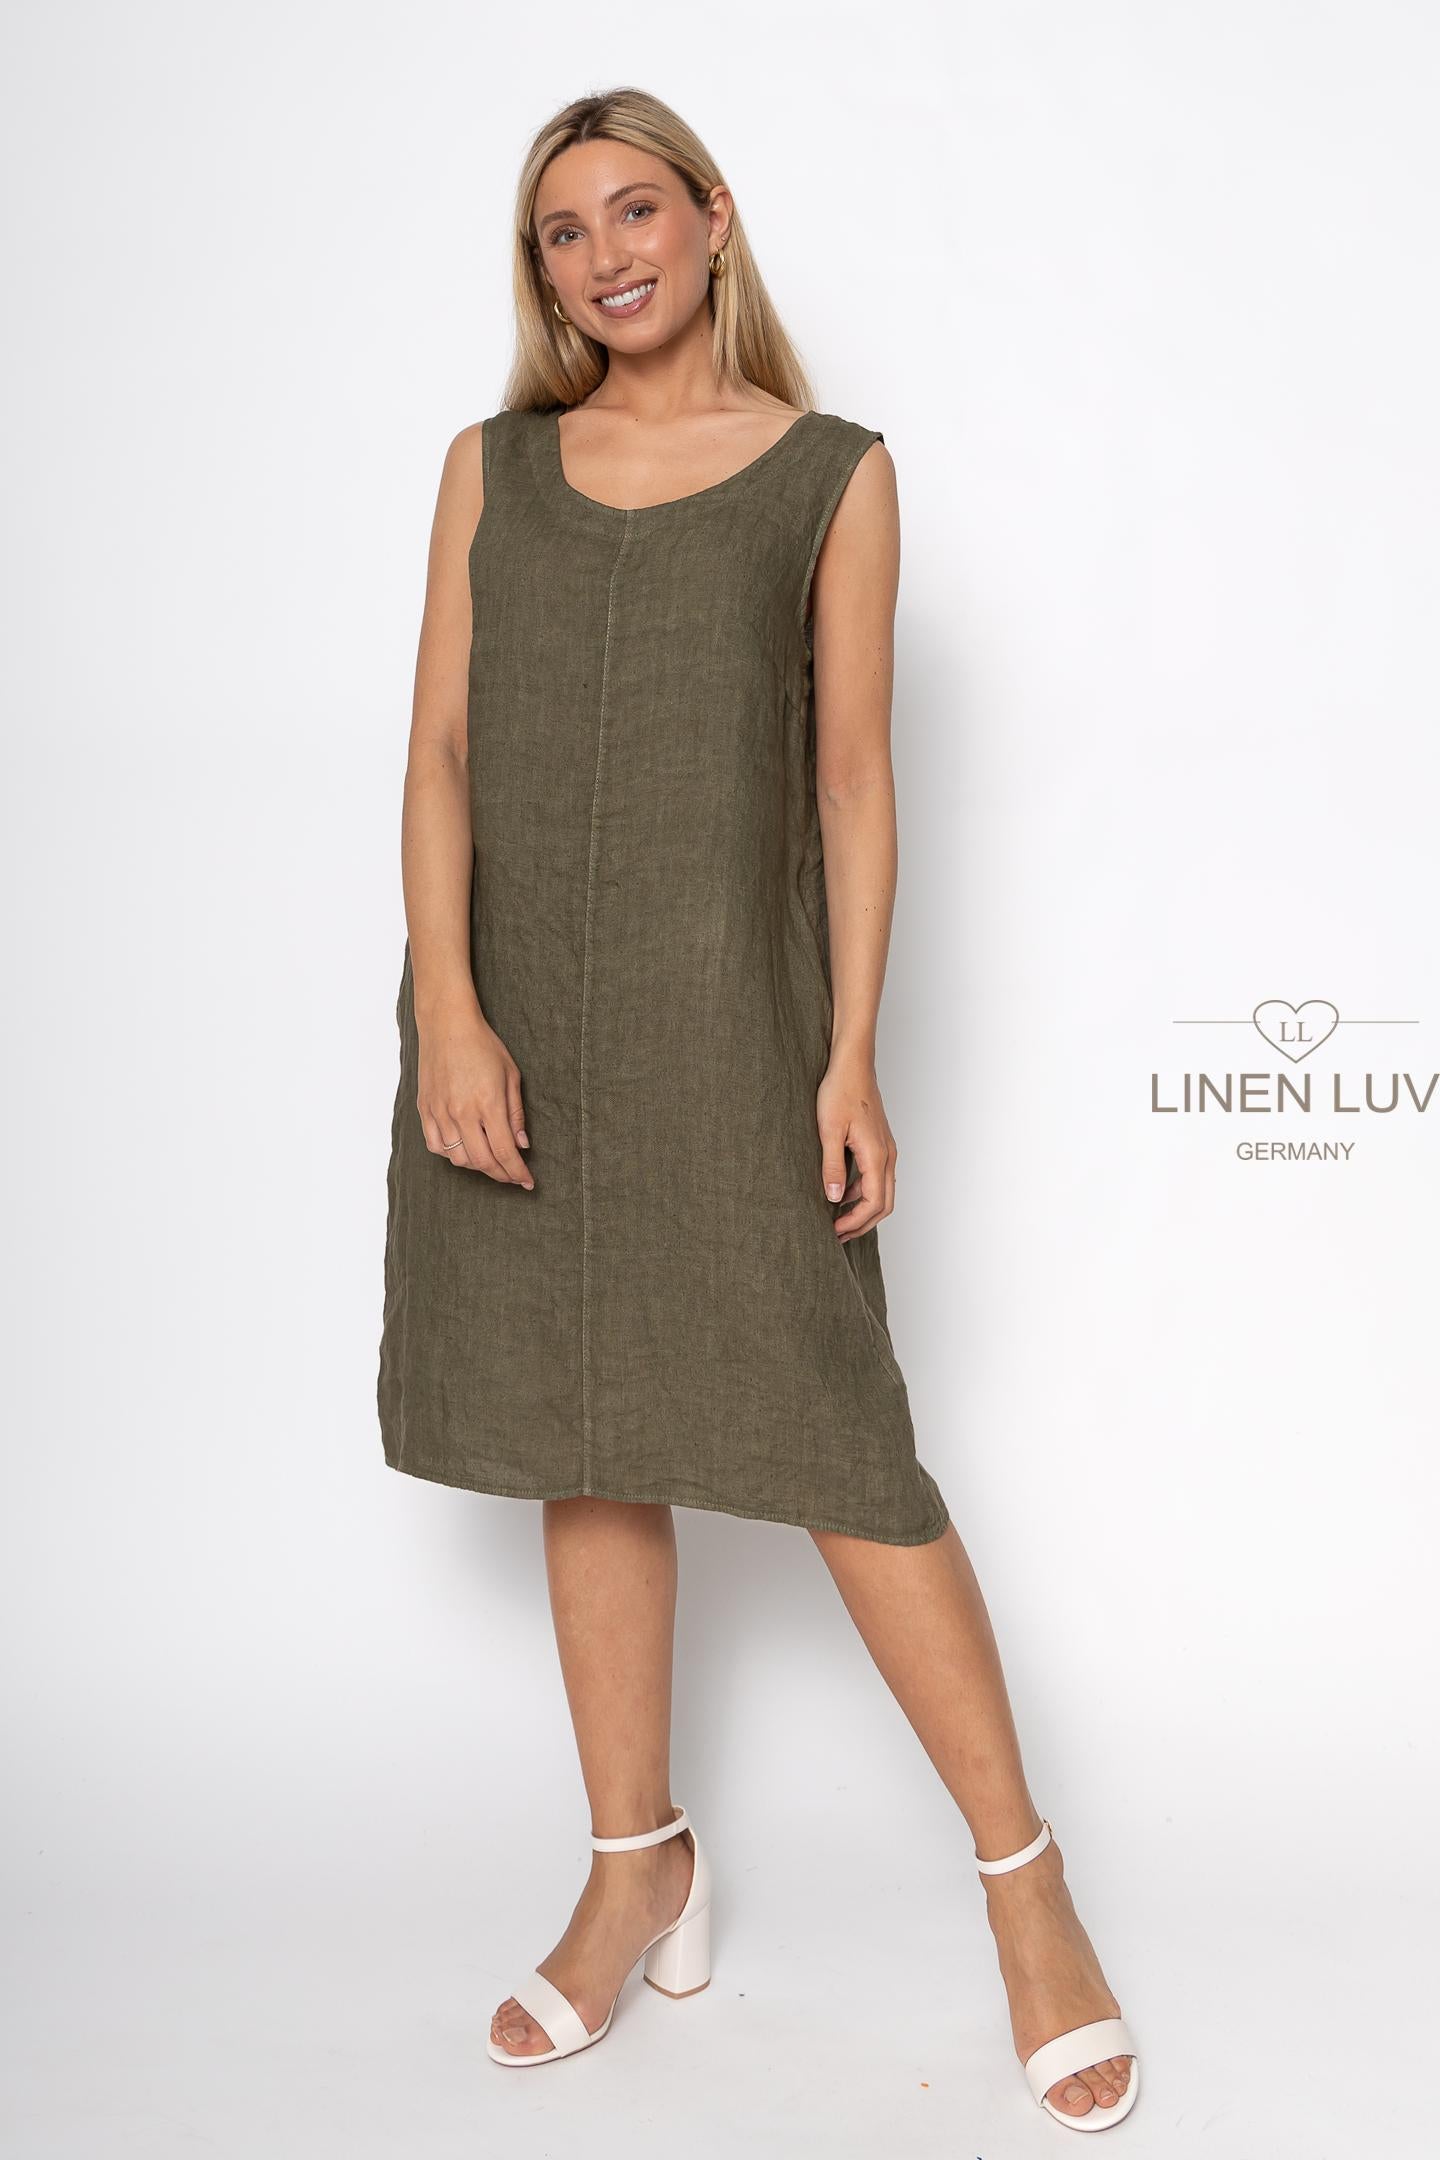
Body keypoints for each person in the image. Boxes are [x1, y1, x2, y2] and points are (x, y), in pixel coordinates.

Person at [376, 85, 1139, 2132]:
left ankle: (1028, 1885)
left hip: (731, 1033)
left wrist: (852, 1047)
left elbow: (857, 783)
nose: (603, 256)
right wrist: (451, 1013)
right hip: (515, 1030)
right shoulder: (487, 470)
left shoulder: (831, 475)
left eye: (635, 210)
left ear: (714, 219)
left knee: (840, 1451)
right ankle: (636, 1867)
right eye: (562, 232)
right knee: (580, 1429)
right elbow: (438, 753)